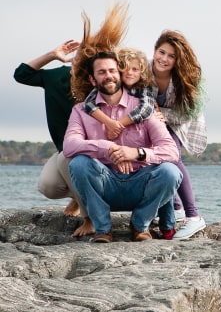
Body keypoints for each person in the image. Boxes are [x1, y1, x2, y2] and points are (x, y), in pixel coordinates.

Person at [64, 51, 182, 243]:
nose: (108, 75)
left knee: (171, 172)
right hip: (105, 182)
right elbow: (70, 145)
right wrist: (108, 148)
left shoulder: (144, 109)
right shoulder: (80, 110)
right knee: (78, 164)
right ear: (93, 80)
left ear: (120, 74)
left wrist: (136, 153)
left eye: (112, 70)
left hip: (140, 183)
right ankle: (103, 229)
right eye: (101, 72)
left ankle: (140, 225)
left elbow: (171, 151)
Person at [13, 40, 86, 220]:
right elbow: (21, 75)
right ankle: (77, 197)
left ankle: (90, 215)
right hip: (66, 150)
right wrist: (52, 55)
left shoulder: (101, 83)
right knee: (48, 186)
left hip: (96, 152)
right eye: (81, 54)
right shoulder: (57, 77)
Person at [152, 30, 208, 240]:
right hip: (152, 123)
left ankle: (194, 216)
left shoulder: (184, 80)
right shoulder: (145, 70)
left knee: (172, 157)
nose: (164, 59)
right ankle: (177, 209)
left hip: (181, 122)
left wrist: (161, 113)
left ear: (177, 60)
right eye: (161, 52)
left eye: (171, 56)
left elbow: (187, 114)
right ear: (155, 50)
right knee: (153, 160)